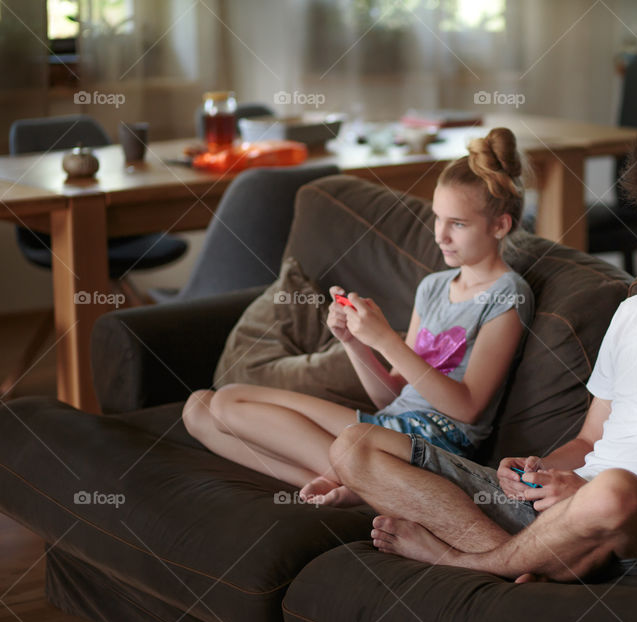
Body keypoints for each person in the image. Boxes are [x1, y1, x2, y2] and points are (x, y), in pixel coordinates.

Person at [310, 123, 637, 583]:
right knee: (356, 444)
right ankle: (525, 561)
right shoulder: (636, 311)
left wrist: (590, 493)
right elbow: (589, 439)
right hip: (567, 504)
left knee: (618, 488)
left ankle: (470, 561)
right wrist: (538, 471)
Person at [182, 127, 534, 492]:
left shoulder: (507, 294)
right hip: (387, 427)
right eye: (437, 218)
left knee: (227, 402)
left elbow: (467, 408)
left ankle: (365, 481)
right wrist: (354, 341)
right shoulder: (433, 288)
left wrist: (385, 340)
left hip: (435, 440)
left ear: (500, 226)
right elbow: (392, 396)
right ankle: (341, 484)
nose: (440, 235)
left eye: (457, 224)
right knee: (199, 409)